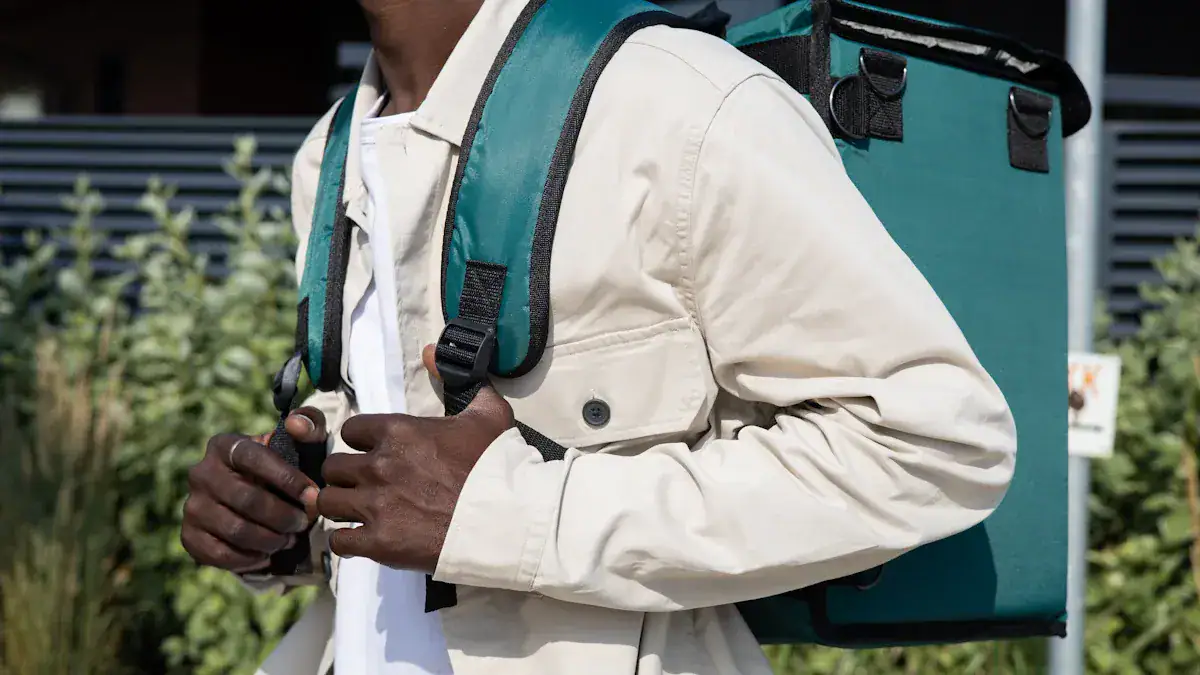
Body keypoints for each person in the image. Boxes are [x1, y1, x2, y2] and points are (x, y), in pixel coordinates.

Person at [180, 0, 1018, 673]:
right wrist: (286, 520)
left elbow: (935, 441)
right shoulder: (328, 153)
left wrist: (507, 513)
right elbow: (407, 475)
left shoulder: (682, 105)